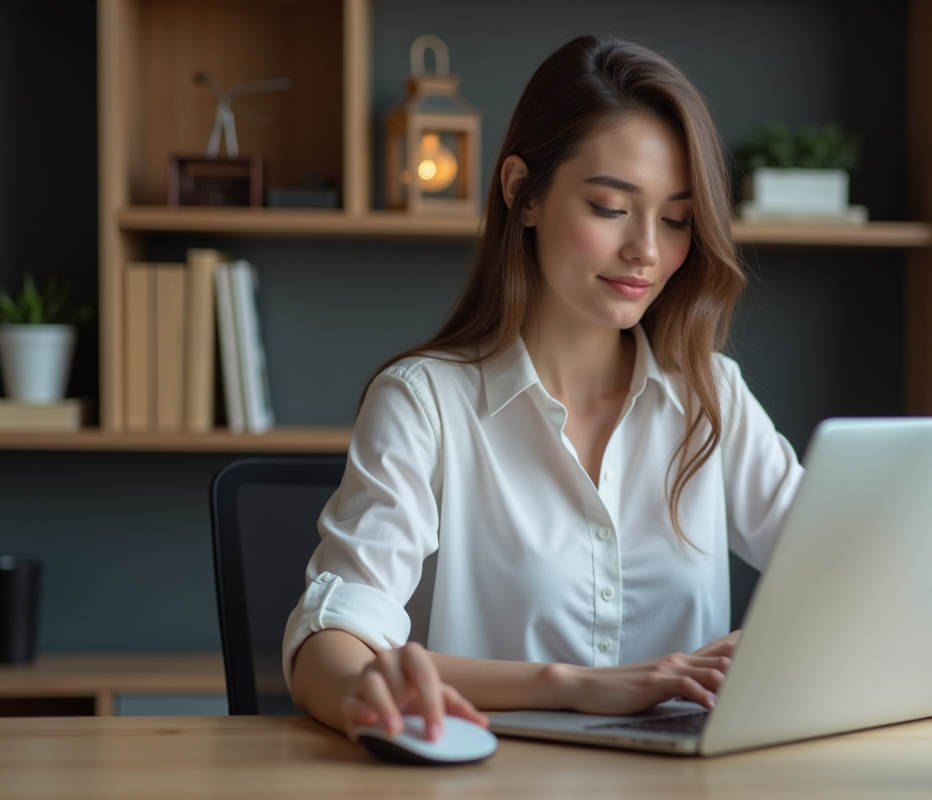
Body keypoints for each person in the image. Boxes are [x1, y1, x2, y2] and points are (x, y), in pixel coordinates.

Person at [284, 35, 804, 742]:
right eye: (609, 207)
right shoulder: (425, 403)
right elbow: (332, 639)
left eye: (677, 219)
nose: (648, 251)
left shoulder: (713, 396)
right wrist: (571, 687)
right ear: (521, 194)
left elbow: (847, 569)